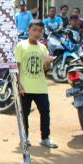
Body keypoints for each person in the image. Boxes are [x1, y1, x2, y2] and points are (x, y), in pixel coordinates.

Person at [16, 20, 58, 148]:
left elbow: (44, 69)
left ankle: (45, 138)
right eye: (34, 30)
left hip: (40, 87)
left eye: (40, 31)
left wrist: (48, 62)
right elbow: (16, 67)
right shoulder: (21, 46)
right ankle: (25, 138)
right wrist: (18, 84)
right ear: (29, 30)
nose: (37, 33)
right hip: (25, 87)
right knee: (25, 114)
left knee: (45, 112)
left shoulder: (43, 48)